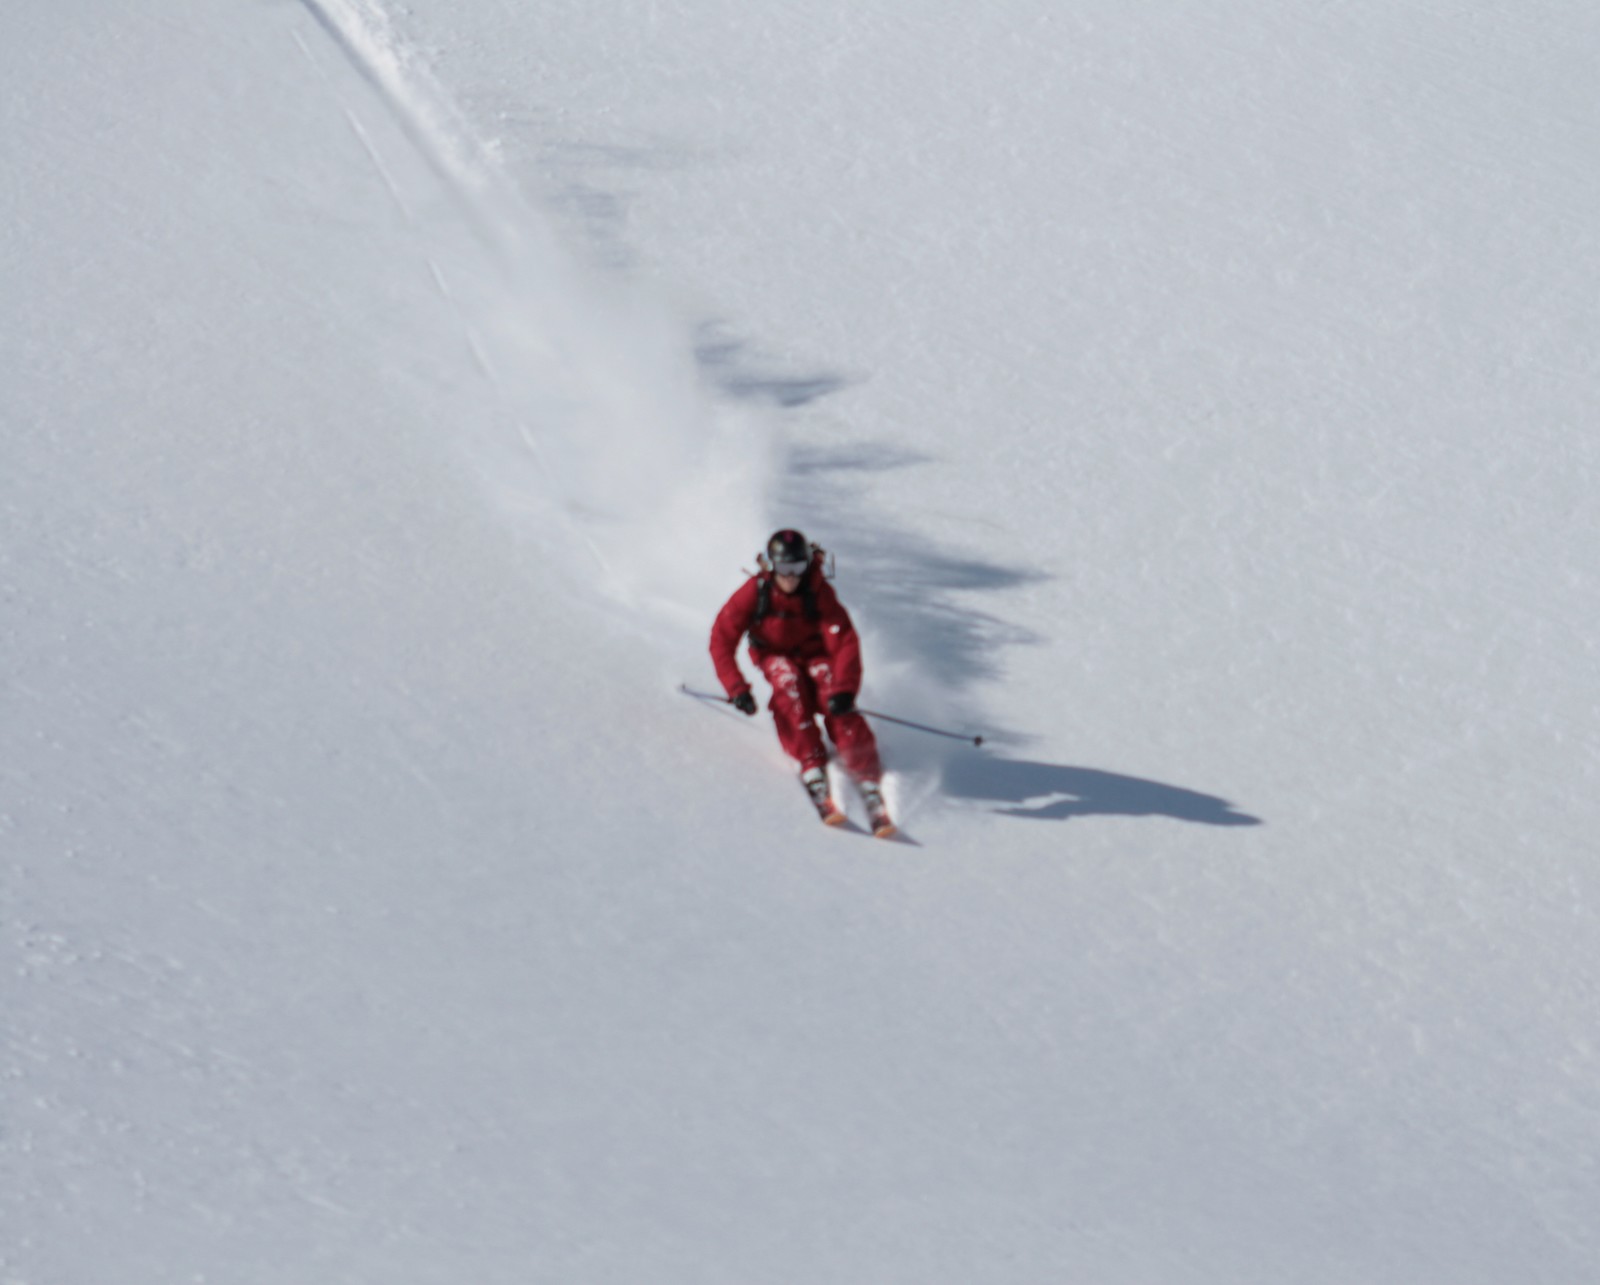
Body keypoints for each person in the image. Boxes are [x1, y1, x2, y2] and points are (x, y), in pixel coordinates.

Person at [710, 529, 889, 828]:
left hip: (815, 654)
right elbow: (721, 639)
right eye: (784, 568)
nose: (791, 577)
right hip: (774, 654)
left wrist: (845, 690)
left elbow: (844, 640)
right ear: (771, 566)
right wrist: (736, 688)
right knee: (788, 684)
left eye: (798, 567)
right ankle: (810, 759)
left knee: (831, 689)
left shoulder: (817, 591)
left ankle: (864, 768)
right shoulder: (755, 591)